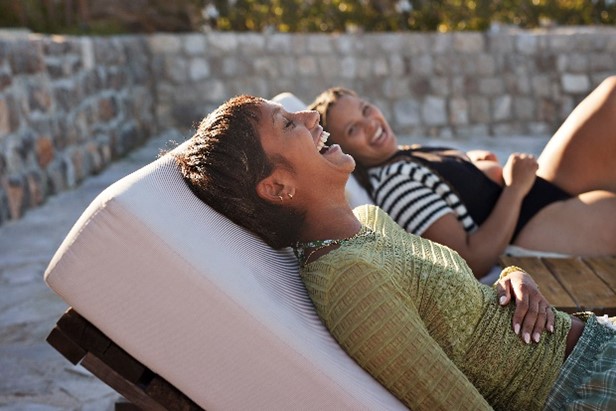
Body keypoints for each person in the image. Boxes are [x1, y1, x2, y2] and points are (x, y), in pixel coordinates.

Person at [174, 95, 616, 410]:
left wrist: (514, 277)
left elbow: (460, 292)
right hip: (581, 384)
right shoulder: (350, 278)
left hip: (590, 339)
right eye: (288, 124)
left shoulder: (370, 223)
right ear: (277, 187)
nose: (309, 115)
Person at [308, 77, 616, 277]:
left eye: (365, 110)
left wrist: (472, 163)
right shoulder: (394, 185)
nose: (370, 124)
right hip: (526, 227)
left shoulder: (403, 153)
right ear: (344, 149)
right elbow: (471, 261)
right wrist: (515, 190)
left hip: (534, 192)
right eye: (353, 130)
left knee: (611, 96)